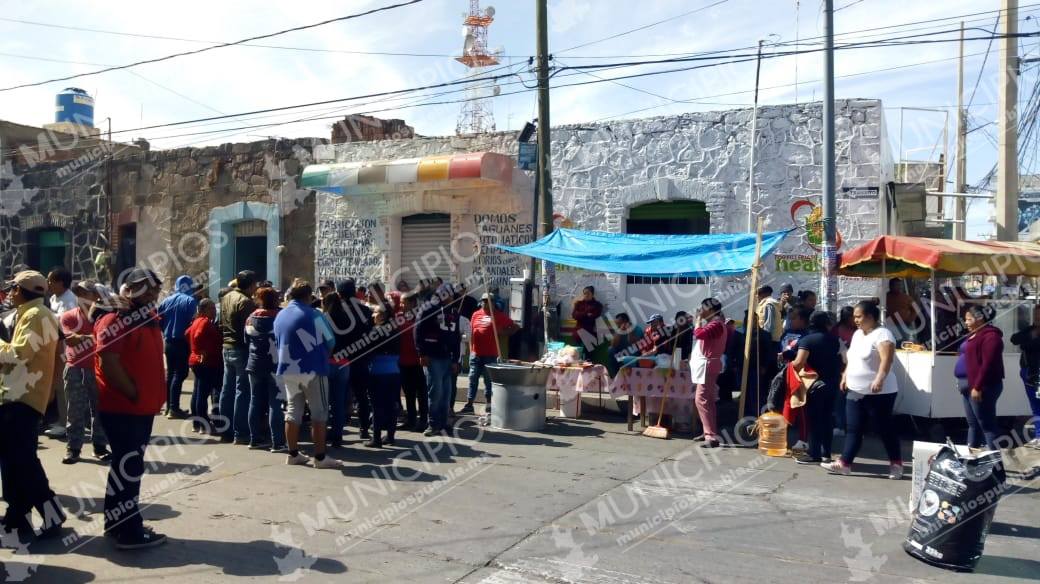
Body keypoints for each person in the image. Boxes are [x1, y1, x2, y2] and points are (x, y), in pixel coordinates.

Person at [94, 268, 167, 548]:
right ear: (127, 289)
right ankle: (128, 531)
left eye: (154, 289)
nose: (150, 294)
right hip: (124, 408)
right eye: (143, 288)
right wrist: (134, 393)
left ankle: (117, 525)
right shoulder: (116, 317)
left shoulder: (146, 317)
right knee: (128, 469)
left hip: (141, 407)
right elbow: (107, 362)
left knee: (125, 468)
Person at [0, 270, 67, 536]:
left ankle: (51, 513)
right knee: (15, 461)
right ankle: (17, 516)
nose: (9, 293)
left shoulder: (35, 315)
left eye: (13, 288)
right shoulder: (35, 313)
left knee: (22, 461)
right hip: (20, 395)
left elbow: (19, 354)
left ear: (20, 290)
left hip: (21, 396)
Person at [822, 301, 902, 479]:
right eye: (855, 316)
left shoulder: (883, 335)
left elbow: (886, 360)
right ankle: (845, 463)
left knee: (884, 428)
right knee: (853, 428)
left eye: (859, 316)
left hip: (880, 392)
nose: (855, 320)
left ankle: (896, 464)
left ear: (871, 317)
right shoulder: (858, 334)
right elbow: (853, 358)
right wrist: (845, 376)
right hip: (855, 389)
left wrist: (879, 379)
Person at [273, 280, 338, 468]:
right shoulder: (314, 315)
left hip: (287, 369)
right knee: (319, 413)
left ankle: (293, 454)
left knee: (293, 412)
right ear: (308, 297)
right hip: (313, 370)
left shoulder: (280, 315)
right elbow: (331, 341)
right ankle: (320, 457)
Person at [59, 280, 111, 464]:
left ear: (96, 296)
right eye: (78, 293)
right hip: (75, 367)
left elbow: (110, 339)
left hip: (98, 368)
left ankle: (99, 447)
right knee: (75, 410)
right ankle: (73, 449)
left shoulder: (104, 317)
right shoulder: (69, 316)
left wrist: (85, 337)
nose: (81, 297)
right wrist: (95, 337)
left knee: (99, 410)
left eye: (85, 293)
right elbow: (71, 340)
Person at [791, 311, 843, 464]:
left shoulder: (807, 340)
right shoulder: (837, 340)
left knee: (814, 419)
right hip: (833, 384)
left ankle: (814, 453)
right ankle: (826, 453)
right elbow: (846, 360)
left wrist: (788, 364)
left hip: (814, 385)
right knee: (827, 418)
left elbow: (799, 362)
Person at [331, 279, 374, 442]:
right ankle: (364, 429)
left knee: (338, 397)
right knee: (362, 396)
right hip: (360, 358)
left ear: (339, 293)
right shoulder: (365, 311)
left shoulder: (334, 312)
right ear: (355, 292)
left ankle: (337, 432)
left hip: (340, 359)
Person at [460, 294, 519, 415]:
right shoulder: (475, 314)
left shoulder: (498, 315)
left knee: (488, 380)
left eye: (488, 301)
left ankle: (489, 405)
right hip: (475, 353)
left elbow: (514, 326)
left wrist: (504, 333)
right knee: (472, 379)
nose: (485, 303)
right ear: (480, 302)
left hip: (490, 354)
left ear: (493, 302)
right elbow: (471, 330)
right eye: (483, 301)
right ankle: (469, 404)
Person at [415, 283, 461, 436]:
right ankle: (433, 423)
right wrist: (422, 353)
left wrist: (456, 359)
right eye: (450, 294)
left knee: (446, 393)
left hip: (447, 358)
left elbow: (456, 338)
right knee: (436, 392)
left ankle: (442, 423)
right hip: (432, 357)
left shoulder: (454, 312)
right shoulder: (428, 309)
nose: (452, 297)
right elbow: (418, 330)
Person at [218, 270, 257, 444]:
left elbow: (220, 323)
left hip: (226, 347)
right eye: (254, 284)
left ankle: (225, 430)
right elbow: (249, 330)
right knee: (242, 391)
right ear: (249, 285)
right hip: (240, 348)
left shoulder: (226, 297)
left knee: (227, 390)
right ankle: (240, 432)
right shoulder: (246, 302)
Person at [245, 288, 286, 451]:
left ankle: (254, 440)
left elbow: (246, 340)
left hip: (254, 364)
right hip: (275, 365)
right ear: (275, 299)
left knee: (254, 402)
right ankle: (277, 442)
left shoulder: (250, 318)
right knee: (275, 404)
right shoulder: (280, 317)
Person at [961, 304, 1005, 452]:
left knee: (987, 425)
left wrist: (977, 387)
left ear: (980, 319)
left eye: (968, 319)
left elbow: (987, 364)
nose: (966, 323)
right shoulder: (973, 335)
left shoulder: (991, 337)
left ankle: (996, 463)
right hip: (968, 386)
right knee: (973, 424)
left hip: (983, 387)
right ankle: (971, 459)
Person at [158, 275, 197, 419]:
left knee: (171, 373)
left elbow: (159, 320)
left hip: (168, 342)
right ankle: (174, 408)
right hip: (182, 342)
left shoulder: (166, 301)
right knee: (180, 374)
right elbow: (192, 323)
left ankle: (169, 407)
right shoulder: (190, 301)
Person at [43, 267, 76, 439]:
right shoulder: (54, 297)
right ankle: (60, 419)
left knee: (62, 387)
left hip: (64, 349)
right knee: (56, 385)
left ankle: (65, 423)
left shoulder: (70, 300)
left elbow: (63, 324)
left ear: (60, 283)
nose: (48, 284)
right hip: (54, 346)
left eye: (50, 281)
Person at [692, 298, 728, 448]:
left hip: (709, 365)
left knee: (701, 399)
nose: (701, 311)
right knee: (708, 399)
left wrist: (698, 321)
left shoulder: (716, 324)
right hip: (710, 364)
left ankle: (710, 435)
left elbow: (699, 334)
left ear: (710, 309)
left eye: (703, 308)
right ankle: (708, 430)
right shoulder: (717, 324)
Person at [366, 304, 401, 447]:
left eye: (375, 312)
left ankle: (376, 437)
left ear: (382, 315)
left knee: (377, 406)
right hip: (394, 371)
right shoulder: (395, 330)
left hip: (378, 371)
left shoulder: (375, 331)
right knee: (391, 404)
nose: (372, 315)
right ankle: (391, 436)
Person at [186, 299, 222, 436]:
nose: (213, 311)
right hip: (205, 362)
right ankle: (203, 424)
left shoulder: (196, 321)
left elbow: (187, 333)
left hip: (197, 361)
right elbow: (197, 335)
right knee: (202, 394)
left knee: (198, 393)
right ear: (203, 310)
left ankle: (197, 423)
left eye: (214, 308)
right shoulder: (204, 322)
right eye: (210, 309)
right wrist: (201, 350)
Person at [1010, 304, 1040, 449]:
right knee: (1035, 406)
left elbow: (1030, 346)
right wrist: (1031, 333)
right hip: (1028, 373)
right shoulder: (1031, 330)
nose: (1037, 318)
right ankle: (1039, 436)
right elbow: (1014, 339)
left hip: (1037, 373)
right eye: (1035, 315)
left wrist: (1029, 341)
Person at [398, 293, 428, 431]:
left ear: (412, 303)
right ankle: (410, 420)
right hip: (403, 361)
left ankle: (423, 420)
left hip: (418, 362)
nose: (401, 305)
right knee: (408, 394)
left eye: (404, 303)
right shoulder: (398, 317)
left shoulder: (421, 316)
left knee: (421, 393)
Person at [571, 286, 604, 351]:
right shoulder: (579, 304)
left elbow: (594, 316)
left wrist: (581, 315)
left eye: (588, 293)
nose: (586, 295)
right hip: (578, 332)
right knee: (574, 353)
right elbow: (574, 315)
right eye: (584, 293)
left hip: (589, 332)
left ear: (592, 294)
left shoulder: (597, 305)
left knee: (588, 356)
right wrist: (586, 314)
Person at [886, 278, 917, 342]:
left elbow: (916, 309)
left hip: (903, 325)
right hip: (889, 325)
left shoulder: (906, 297)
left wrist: (910, 319)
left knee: (904, 344)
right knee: (890, 342)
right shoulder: (885, 297)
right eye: (895, 285)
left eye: (899, 285)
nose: (897, 287)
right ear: (890, 286)